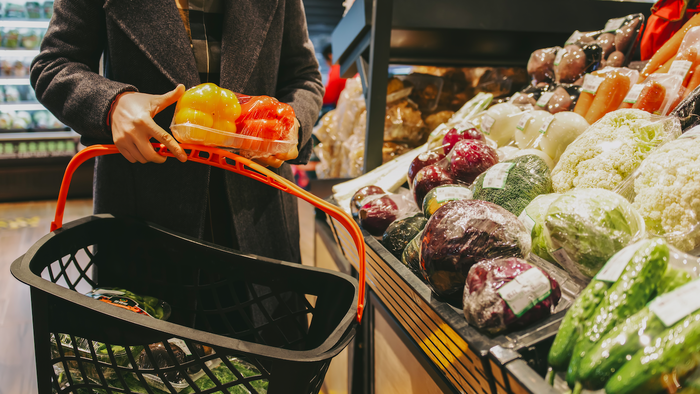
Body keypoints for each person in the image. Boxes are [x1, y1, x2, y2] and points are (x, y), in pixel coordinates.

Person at [30, 0, 324, 265]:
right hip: (144, 213)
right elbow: (53, 65)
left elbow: (303, 76)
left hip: (259, 211)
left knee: (267, 319)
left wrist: (291, 127)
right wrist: (113, 103)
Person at [321, 44, 347, 111]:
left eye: (325, 60)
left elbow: (329, 96)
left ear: (330, 56)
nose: (326, 64)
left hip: (344, 109)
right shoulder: (345, 66)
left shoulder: (337, 68)